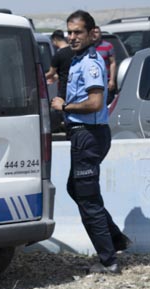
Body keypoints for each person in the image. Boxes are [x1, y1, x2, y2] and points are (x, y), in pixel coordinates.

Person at [50, 10, 131, 274]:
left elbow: (96, 102)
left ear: (91, 33)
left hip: (88, 134)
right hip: (84, 134)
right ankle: (115, 239)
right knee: (76, 188)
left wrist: (65, 106)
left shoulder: (91, 63)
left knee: (87, 198)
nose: (72, 37)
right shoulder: (77, 59)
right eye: (69, 32)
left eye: (78, 32)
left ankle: (108, 260)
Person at [45, 29, 73, 100]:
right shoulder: (74, 50)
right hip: (75, 85)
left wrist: (41, 77)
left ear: (55, 39)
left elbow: (51, 73)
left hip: (64, 87)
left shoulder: (58, 55)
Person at [93, 27, 117, 104]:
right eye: (92, 32)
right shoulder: (87, 47)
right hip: (92, 81)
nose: (94, 34)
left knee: (107, 103)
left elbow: (112, 63)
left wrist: (112, 80)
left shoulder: (108, 46)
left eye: (96, 32)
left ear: (100, 34)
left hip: (105, 81)